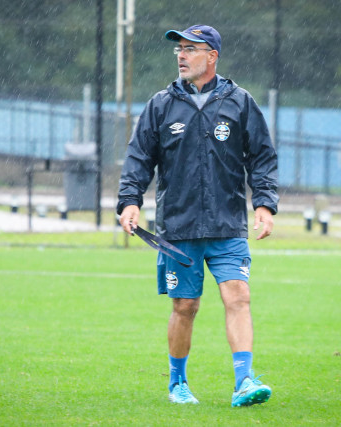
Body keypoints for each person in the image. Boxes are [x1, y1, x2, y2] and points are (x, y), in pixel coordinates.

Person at [116, 24, 279, 407]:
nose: (182, 56)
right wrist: (129, 200)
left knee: (238, 296)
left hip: (227, 225)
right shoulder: (161, 104)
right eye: (179, 50)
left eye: (190, 49)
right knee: (185, 306)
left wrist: (265, 204)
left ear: (212, 56)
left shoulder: (240, 102)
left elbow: (262, 157)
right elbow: (139, 157)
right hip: (179, 226)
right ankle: (178, 384)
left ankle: (244, 381)